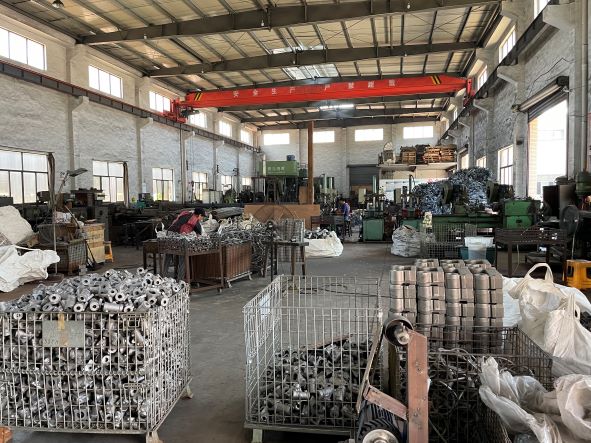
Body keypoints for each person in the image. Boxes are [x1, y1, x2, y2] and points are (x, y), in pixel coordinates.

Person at [163, 207, 206, 279]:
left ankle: (163, 276)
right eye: (202, 217)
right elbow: (199, 234)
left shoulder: (186, 213)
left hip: (169, 233)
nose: (202, 219)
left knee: (168, 254)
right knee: (182, 257)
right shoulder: (195, 220)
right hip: (177, 236)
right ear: (199, 215)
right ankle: (180, 280)